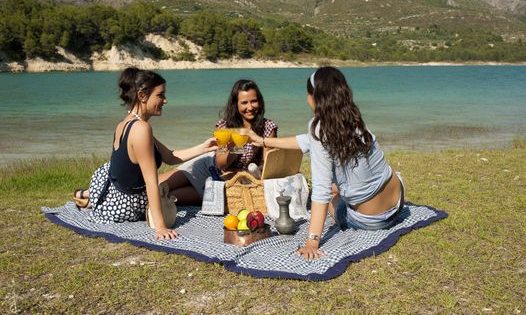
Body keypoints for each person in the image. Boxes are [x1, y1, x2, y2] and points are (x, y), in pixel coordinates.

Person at [244, 67, 405, 260]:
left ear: (314, 97)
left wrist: (312, 241)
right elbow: (307, 141)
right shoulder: (352, 118)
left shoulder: (319, 129)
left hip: (372, 221)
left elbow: (321, 191)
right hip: (398, 200)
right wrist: (263, 141)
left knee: (329, 195)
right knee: (341, 186)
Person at [73, 67, 217, 240]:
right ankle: (90, 198)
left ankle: (89, 196)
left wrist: (204, 147)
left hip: (115, 188)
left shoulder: (128, 123)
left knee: (182, 185)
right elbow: (151, 181)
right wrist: (160, 226)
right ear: (142, 95)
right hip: (127, 203)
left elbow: (170, 157)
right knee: (191, 191)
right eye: (160, 95)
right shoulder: (141, 129)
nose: (165, 100)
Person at [159, 79, 278, 205]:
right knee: (157, 185)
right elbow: (221, 163)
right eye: (244, 103)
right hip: (206, 166)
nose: (250, 107)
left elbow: (268, 166)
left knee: (167, 197)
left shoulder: (267, 127)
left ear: (259, 101)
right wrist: (238, 145)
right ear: (236, 104)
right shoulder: (224, 126)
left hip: (224, 183)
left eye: (254, 101)